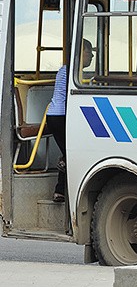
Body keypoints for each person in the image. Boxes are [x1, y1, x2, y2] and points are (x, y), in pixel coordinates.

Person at [46, 39, 94, 202]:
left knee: (67, 152)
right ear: (81, 53)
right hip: (61, 117)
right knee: (70, 153)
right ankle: (62, 188)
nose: (92, 56)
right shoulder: (73, 72)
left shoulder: (66, 69)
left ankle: (60, 192)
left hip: (54, 116)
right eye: (90, 52)